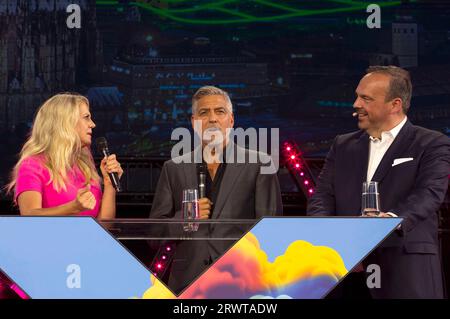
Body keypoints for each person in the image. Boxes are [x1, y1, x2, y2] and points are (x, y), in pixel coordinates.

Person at [307, 66, 450, 299]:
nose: (356, 104)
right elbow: (322, 197)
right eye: (357, 96)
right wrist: (330, 242)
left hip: (405, 272)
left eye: (366, 98)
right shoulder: (342, 145)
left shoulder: (432, 143)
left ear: (395, 105)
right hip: (346, 276)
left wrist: (386, 224)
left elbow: (429, 194)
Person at [150, 86, 283, 294]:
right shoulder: (173, 168)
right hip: (188, 285)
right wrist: (183, 220)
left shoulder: (259, 164)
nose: (212, 119)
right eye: (204, 113)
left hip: (241, 284)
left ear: (231, 120)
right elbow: (153, 234)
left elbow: (271, 232)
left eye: (219, 112)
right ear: (193, 122)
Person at [7, 93, 123, 218]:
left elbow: (104, 226)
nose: (92, 124)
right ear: (65, 122)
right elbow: (29, 215)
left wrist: (109, 184)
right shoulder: (33, 165)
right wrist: (73, 207)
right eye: (86, 117)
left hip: (87, 238)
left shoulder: (84, 166)